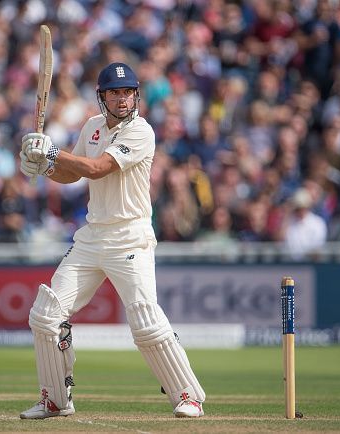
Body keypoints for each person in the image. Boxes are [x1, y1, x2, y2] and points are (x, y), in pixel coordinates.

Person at [18, 62, 206, 419]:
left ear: (136, 96)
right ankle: (56, 399)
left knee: (145, 321)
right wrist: (41, 164)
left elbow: (98, 168)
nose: (122, 99)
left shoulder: (141, 132)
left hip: (130, 238)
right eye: (114, 93)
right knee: (46, 314)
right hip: (92, 236)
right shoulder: (92, 127)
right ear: (102, 97)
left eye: (128, 92)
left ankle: (188, 396)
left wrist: (52, 151)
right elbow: (72, 174)